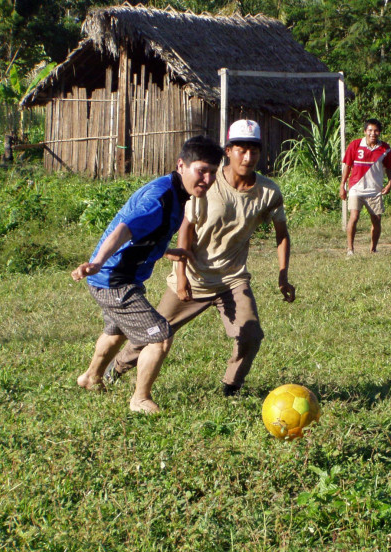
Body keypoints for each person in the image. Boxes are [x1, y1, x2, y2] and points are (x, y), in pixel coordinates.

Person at [104, 119, 296, 397]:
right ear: (228, 151)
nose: (248, 156)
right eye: (241, 149)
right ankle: (117, 368)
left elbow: (282, 233)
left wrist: (283, 274)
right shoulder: (208, 185)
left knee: (251, 335)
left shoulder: (268, 192)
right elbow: (186, 229)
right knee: (154, 333)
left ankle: (232, 386)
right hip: (193, 279)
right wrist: (181, 277)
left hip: (232, 279)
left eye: (254, 150)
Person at [72, 136, 224, 413]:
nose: (207, 178)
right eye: (201, 170)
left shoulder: (176, 192)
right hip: (114, 280)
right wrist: (96, 262)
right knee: (160, 335)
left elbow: (146, 234)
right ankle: (139, 399)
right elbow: (124, 229)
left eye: (213, 172)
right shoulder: (161, 197)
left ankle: (91, 377)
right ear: (181, 165)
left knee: (117, 331)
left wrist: (166, 251)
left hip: (119, 277)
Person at [339, 118, 391, 255]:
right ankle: (350, 249)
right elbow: (347, 165)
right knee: (354, 217)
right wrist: (342, 185)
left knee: (376, 219)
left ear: (379, 132)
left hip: (375, 190)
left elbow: (389, 167)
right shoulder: (355, 145)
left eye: (376, 131)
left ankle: (373, 249)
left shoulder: (384, 148)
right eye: (370, 130)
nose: (372, 133)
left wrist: (390, 182)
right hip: (356, 188)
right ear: (365, 131)